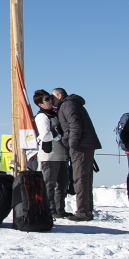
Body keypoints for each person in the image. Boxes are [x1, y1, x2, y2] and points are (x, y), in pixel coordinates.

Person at [54, 88, 100, 221]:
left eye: (53, 97)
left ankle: (83, 212)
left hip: (80, 146)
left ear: (60, 96)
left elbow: (74, 125)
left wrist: (70, 144)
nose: (52, 100)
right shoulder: (72, 103)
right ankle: (86, 210)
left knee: (80, 178)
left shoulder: (67, 105)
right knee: (84, 178)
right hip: (85, 144)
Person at [32, 90, 70, 218]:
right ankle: (50, 209)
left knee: (63, 183)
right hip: (50, 154)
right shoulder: (42, 117)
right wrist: (57, 133)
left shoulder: (54, 114)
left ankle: (60, 209)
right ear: (40, 104)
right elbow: (45, 136)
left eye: (50, 98)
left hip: (61, 153)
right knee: (50, 183)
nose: (50, 101)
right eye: (47, 99)